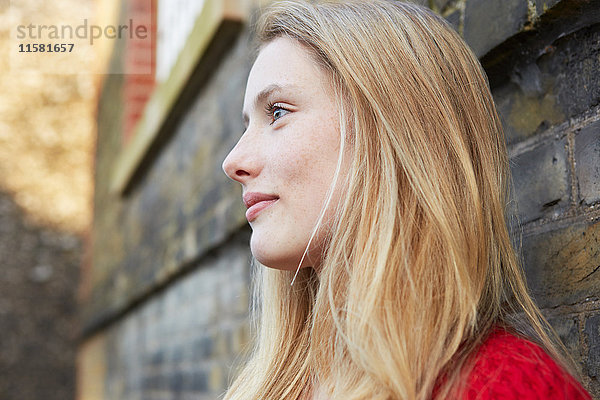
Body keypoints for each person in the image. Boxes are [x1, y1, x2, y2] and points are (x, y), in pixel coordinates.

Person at [221, 1, 593, 399]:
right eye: (248, 125)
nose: (234, 161)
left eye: (276, 112)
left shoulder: (506, 388)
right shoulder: (269, 387)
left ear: (392, 131)